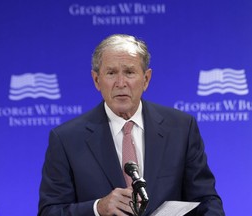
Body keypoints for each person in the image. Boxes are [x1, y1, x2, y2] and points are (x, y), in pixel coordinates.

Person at [38, 34, 225, 216]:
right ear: (96, 80)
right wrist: (97, 208)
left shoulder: (182, 128)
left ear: (146, 79)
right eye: (111, 73)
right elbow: (50, 211)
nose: (121, 83)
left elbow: (206, 201)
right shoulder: (66, 139)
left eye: (129, 72)